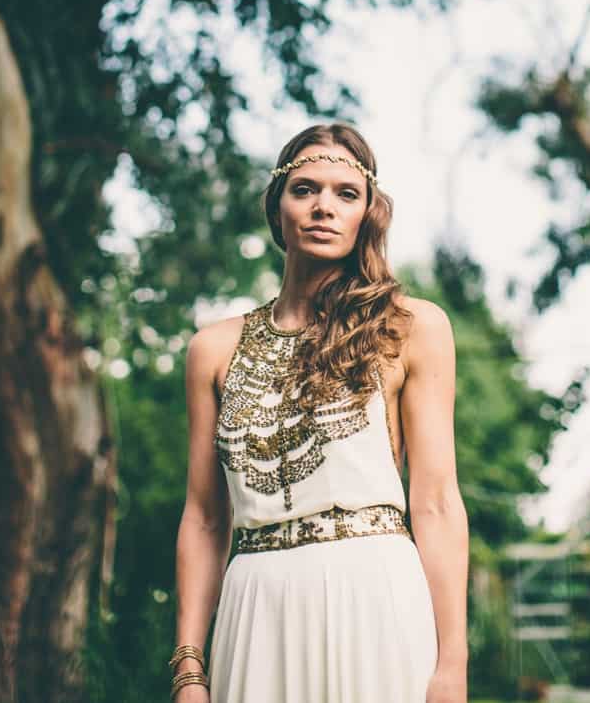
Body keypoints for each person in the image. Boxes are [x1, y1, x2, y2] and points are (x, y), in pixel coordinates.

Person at [169, 122, 469, 703]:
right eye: (304, 189)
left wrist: (451, 663)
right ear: (276, 206)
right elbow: (205, 518)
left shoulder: (410, 327)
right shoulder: (213, 348)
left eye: (345, 193)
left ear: (367, 214)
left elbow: (435, 503)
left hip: (375, 596)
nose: (323, 207)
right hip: (254, 608)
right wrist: (189, 666)